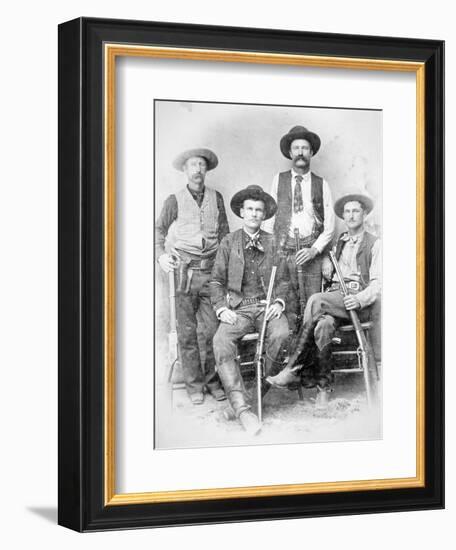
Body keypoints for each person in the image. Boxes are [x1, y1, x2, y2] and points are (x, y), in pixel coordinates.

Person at [267, 192, 381, 410]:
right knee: (323, 326)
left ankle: (294, 367)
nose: (351, 215)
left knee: (316, 300)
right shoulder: (340, 243)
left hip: (357, 304)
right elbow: (331, 277)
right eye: (347, 212)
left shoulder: (375, 244)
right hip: (336, 300)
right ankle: (323, 388)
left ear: (364, 214)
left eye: (355, 210)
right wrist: (327, 266)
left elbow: (378, 284)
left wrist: (358, 299)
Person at [210, 185, 290, 435]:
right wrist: (222, 308)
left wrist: (278, 303)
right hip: (240, 309)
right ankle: (244, 411)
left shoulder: (273, 241)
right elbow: (215, 281)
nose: (255, 214)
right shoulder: (229, 241)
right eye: (250, 209)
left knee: (281, 334)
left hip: (266, 307)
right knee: (221, 341)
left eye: (259, 210)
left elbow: (284, 281)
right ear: (242, 212)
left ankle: (248, 401)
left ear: (264, 214)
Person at [155, 148, 230, 405]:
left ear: (206, 170)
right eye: (193, 165)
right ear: (185, 171)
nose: (197, 169)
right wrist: (160, 255)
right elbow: (158, 231)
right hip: (184, 273)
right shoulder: (173, 200)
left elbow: (225, 236)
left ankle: (213, 382)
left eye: (201, 165)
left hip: (210, 272)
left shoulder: (216, 197)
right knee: (187, 332)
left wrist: (223, 268)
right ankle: (194, 386)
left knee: (211, 330)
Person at [263, 125, 335, 326]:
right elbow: (270, 217)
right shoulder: (279, 180)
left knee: (312, 306)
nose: (300, 152)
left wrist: (314, 250)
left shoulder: (322, 184)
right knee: (288, 303)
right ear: (289, 152)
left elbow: (329, 226)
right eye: (296, 148)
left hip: (310, 253)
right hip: (284, 252)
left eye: (305, 148)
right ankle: (291, 356)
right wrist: (269, 250)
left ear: (311, 153)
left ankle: (309, 357)